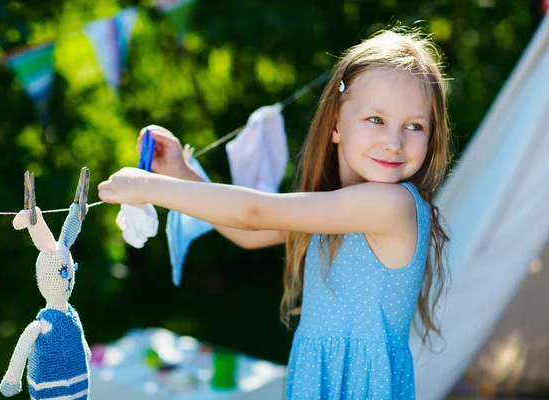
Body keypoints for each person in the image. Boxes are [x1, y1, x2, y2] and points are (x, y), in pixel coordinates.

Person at [98, 28, 450, 399]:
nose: (394, 142)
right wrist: (179, 172)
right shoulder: (337, 204)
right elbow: (249, 234)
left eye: (414, 126)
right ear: (335, 124)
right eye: (376, 119)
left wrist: (149, 188)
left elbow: (255, 213)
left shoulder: (392, 206)